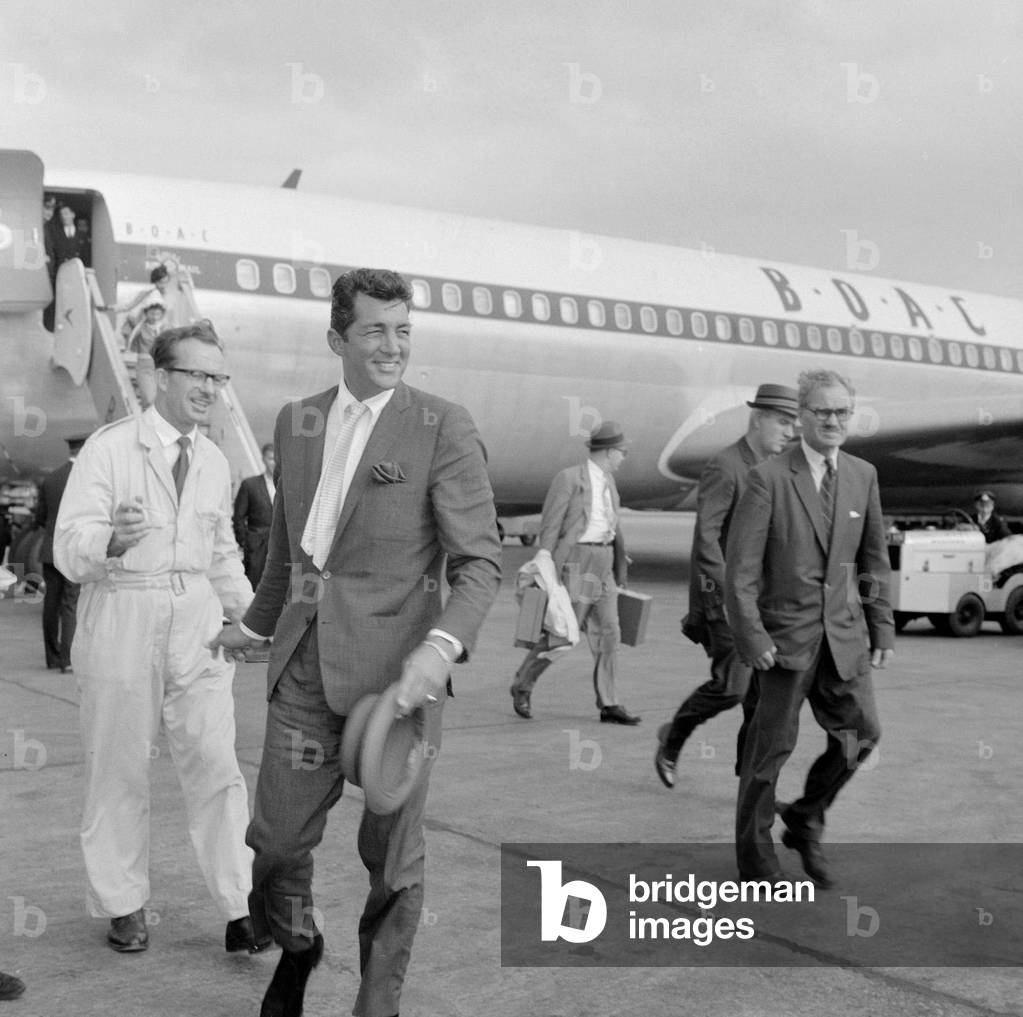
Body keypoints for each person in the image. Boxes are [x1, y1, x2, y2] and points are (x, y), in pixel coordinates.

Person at [209, 268, 501, 1017]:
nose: (391, 345)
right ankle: (300, 944)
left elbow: (478, 563)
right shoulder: (296, 420)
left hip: (397, 686)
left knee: (393, 863)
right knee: (273, 843)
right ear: (337, 337)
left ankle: (377, 1004)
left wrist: (437, 651)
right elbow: (287, 552)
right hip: (304, 669)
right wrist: (250, 627)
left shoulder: (443, 424)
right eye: (375, 329)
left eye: (403, 330)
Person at [53, 321, 264, 956]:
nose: (209, 389)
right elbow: (68, 548)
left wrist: (250, 619)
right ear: (160, 378)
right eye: (197, 374)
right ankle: (123, 905)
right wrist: (111, 540)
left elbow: (223, 551)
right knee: (119, 768)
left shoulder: (216, 458)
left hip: (196, 621)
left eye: (218, 377)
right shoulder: (109, 449)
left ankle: (239, 906)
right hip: (123, 610)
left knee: (217, 766)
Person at [726, 369, 894, 886]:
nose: (833, 421)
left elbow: (873, 559)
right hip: (784, 642)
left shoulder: (863, 475)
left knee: (861, 736)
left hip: (843, 638)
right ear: (801, 417)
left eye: (842, 412)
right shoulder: (770, 478)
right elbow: (741, 571)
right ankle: (755, 863)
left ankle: (804, 818)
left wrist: (881, 626)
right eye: (822, 412)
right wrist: (752, 637)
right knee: (768, 754)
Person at [655, 384, 798, 789]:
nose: (790, 432)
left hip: (762, 600)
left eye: (795, 425)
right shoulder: (726, 465)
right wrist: (732, 594)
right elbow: (707, 539)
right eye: (783, 422)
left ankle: (750, 782)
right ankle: (674, 736)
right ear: (758, 419)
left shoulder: (776, 468)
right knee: (732, 688)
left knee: (761, 698)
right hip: (724, 600)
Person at [509, 420, 640, 725]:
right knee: (563, 634)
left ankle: (609, 703)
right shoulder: (569, 479)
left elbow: (613, 524)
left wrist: (620, 562)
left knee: (610, 632)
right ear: (608, 451)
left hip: (603, 560)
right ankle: (523, 683)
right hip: (578, 562)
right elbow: (551, 523)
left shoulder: (609, 482)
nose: (623, 457)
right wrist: (547, 563)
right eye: (622, 452)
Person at [35, 434, 89, 673]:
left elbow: (39, 517)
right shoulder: (85, 478)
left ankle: (52, 657)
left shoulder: (51, 478)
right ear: (84, 450)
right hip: (73, 549)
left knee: (51, 602)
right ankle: (68, 660)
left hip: (49, 550)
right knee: (70, 603)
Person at [232, 442, 276, 587]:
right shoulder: (250, 485)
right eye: (271, 459)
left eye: (277, 459)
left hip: (279, 548)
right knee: (253, 588)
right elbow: (238, 517)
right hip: (256, 548)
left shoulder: (286, 487)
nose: (274, 463)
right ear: (263, 459)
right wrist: (245, 542)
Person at [126, 294, 166, 407]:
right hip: (144, 366)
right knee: (148, 398)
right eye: (152, 313)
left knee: (158, 398)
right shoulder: (141, 327)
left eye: (158, 314)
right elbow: (129, 326)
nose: (155, 317)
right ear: (146, 313)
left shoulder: (164, 328)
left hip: (159, 366)